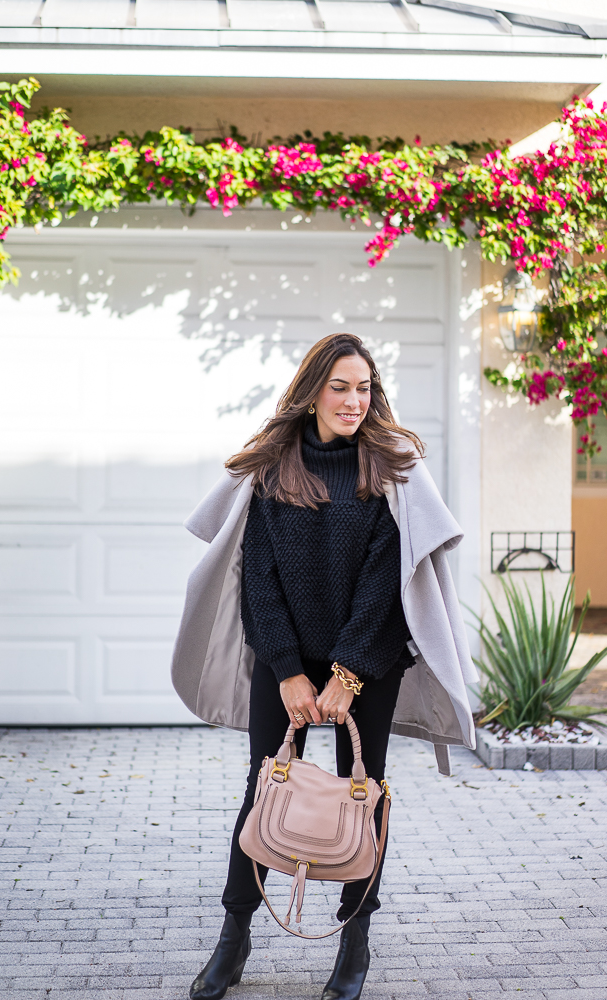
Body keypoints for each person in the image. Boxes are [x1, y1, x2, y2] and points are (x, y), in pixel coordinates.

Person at [170, 333, 478, 1000]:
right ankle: (235, 934)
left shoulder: (392, 469)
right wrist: (286, 670)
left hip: (366, 661)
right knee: (263, 789)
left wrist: (347, 673)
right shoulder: (272, 469)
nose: (352, 400)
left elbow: (392, 585)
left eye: (363, 387)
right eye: (339, 386)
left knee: (362, 798)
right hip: (286, 659)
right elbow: (260, 580)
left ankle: (354, 940)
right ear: (312, 391)